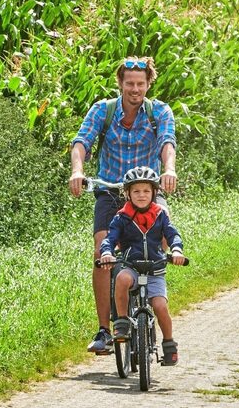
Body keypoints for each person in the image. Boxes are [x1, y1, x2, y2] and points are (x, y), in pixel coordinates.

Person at [68, 56, 178, 356]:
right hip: (111, 190)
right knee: (101, 252)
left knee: (166, 233)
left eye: (140, 84)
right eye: (129, 83)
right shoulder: (103, 110)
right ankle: (105, 329)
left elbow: (168, 142)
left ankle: (155, 291)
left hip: (147, 190)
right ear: (120, 83)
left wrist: (169, 169)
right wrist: (78, 170)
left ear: (148, 84)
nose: (135, 89)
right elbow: (81, 142)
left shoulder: (159, 112)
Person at [98, 167, 186, 366]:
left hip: (155, 269)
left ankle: (169, 345)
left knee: (160, 306)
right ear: (127, 193)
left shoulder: (160, 215)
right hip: (132, 266)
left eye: (146, 191)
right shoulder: (121, 217)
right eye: (136, 191)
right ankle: (121, 322)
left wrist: (177, 251)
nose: (141, 195)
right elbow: (110, 239)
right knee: (122, 278)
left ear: (154, 193)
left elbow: (173, 234)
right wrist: (106, 253)